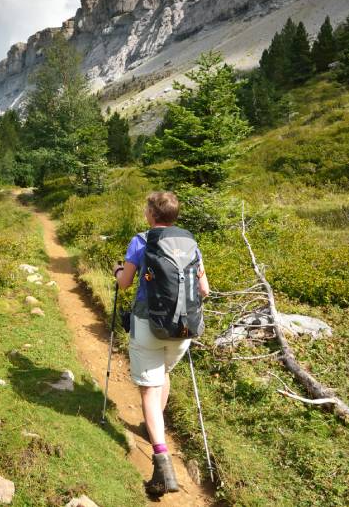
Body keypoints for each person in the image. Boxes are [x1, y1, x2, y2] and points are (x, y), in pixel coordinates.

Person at [113, 191, 210, 496]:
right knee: (163, 375)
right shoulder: (190, 242)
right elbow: (204, 289)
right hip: (184, 328)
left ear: (152, 214)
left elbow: (126, 282)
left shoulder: (141, 241)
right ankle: (156, 427)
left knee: (148, 389)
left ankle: (162, 461)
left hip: (148, 325)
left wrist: (117, 271)